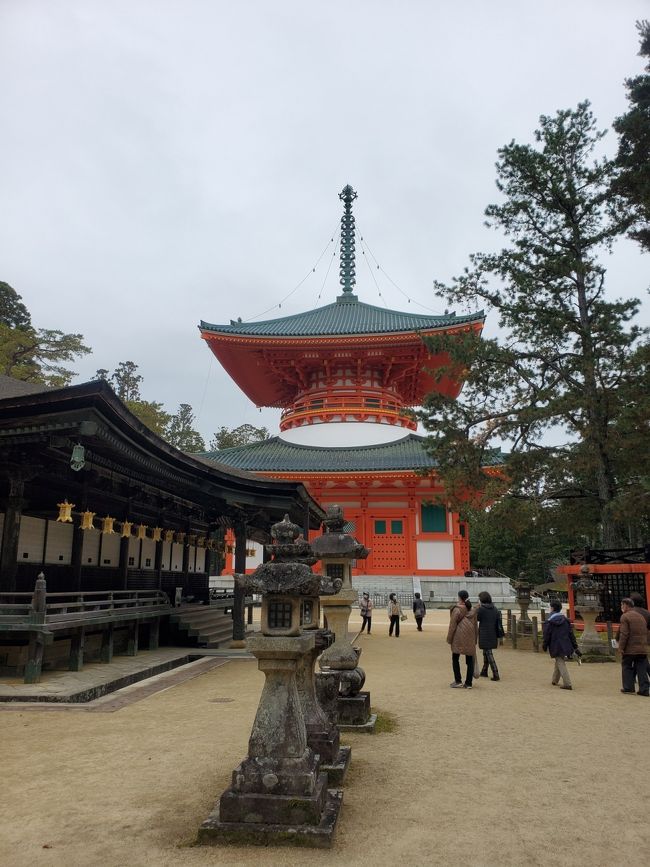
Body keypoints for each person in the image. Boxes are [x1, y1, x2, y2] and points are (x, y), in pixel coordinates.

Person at [541, 600, 580, 690]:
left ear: (552, 608)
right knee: (559, 659)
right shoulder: (565, 620)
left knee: (560, 661)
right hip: (566, 643)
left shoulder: (550, 621)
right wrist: (575, 646)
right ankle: (555, 679)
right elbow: (571, 634)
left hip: (555, 644)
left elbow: (546, 634)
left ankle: (567, 683)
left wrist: (544, 644)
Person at [618, 597, 649, 696]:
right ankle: (644, 689)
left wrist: (621, 647)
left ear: (626, 606)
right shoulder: (641, 616)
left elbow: (624, 634)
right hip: (642, 647)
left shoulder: (625, 617)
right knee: (642, 668)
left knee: (626, 666)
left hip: (630, 648)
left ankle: (628, 687)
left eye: (622, 605)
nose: (621, 607)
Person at [446, 590, 477, 688]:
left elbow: (452, 626)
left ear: (460, 598)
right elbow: (476, 625)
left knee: (455, 658)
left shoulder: (457, 609)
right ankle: (468, 683)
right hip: (470, 636)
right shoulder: (473, 609)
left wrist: (449, 638)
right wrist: (475, 639)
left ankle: (458, 680)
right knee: (470, 659)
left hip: (458, 637)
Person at [476, 590, 502, 681]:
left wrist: (477, 608)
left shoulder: (482, 609)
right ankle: (484, 670)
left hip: (484, 632)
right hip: (493, 632)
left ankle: (496, 673)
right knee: (486, 652)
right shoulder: (494, 608)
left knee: (488, 652)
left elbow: (477, 618)